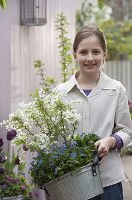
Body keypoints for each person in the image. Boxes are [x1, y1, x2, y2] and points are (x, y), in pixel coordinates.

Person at [55, 24, 132, 200]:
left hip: (108, 181)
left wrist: (111, 141)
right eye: (83, 52)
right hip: (70, 181)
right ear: (74, 54)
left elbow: (127, 131)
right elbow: (53, 137)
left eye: (96, 52)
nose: (90, 58)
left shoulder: (116, 89)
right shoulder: (61, 92)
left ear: (105, 54)